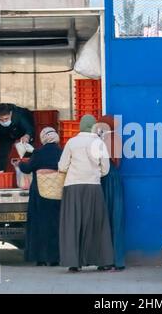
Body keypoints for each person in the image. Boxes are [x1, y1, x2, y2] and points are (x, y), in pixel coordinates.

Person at [58, 114, 114, 272]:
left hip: (72, 186)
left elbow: (62, 166)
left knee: (73, 224)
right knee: (97, 224)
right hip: (93, 186)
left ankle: (74, 263)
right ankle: (102, 261)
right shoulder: (98, 143)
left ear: (80, 126)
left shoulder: (71, 142)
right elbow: (106, 169)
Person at [15, 127, 62, 266]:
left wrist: (20, 164)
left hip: (40, 195)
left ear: (44, 138)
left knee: (39, 225)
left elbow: (28, 168)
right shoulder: (61, 152)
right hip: (57, 193)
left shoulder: (38, 152)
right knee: (55, 224)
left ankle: (40, 258)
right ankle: (54, 258)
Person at [97, 115, 125, 271]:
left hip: (105, 179)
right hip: (115, 179)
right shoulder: (117, 138)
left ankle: (107, 260)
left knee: (106, 219)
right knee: (116, 219)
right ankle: (117, 260)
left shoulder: (103, 141)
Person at [0, 103, 35, 171]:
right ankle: (1, 173)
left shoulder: (19, 114)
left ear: (10, 113)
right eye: (1, 119)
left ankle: (29, 171)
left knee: (27, 153)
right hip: (5, 134)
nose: (4, 121)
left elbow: (29, 128)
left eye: (6, 118)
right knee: (2, 155)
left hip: (22, 132)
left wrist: (27, 136)